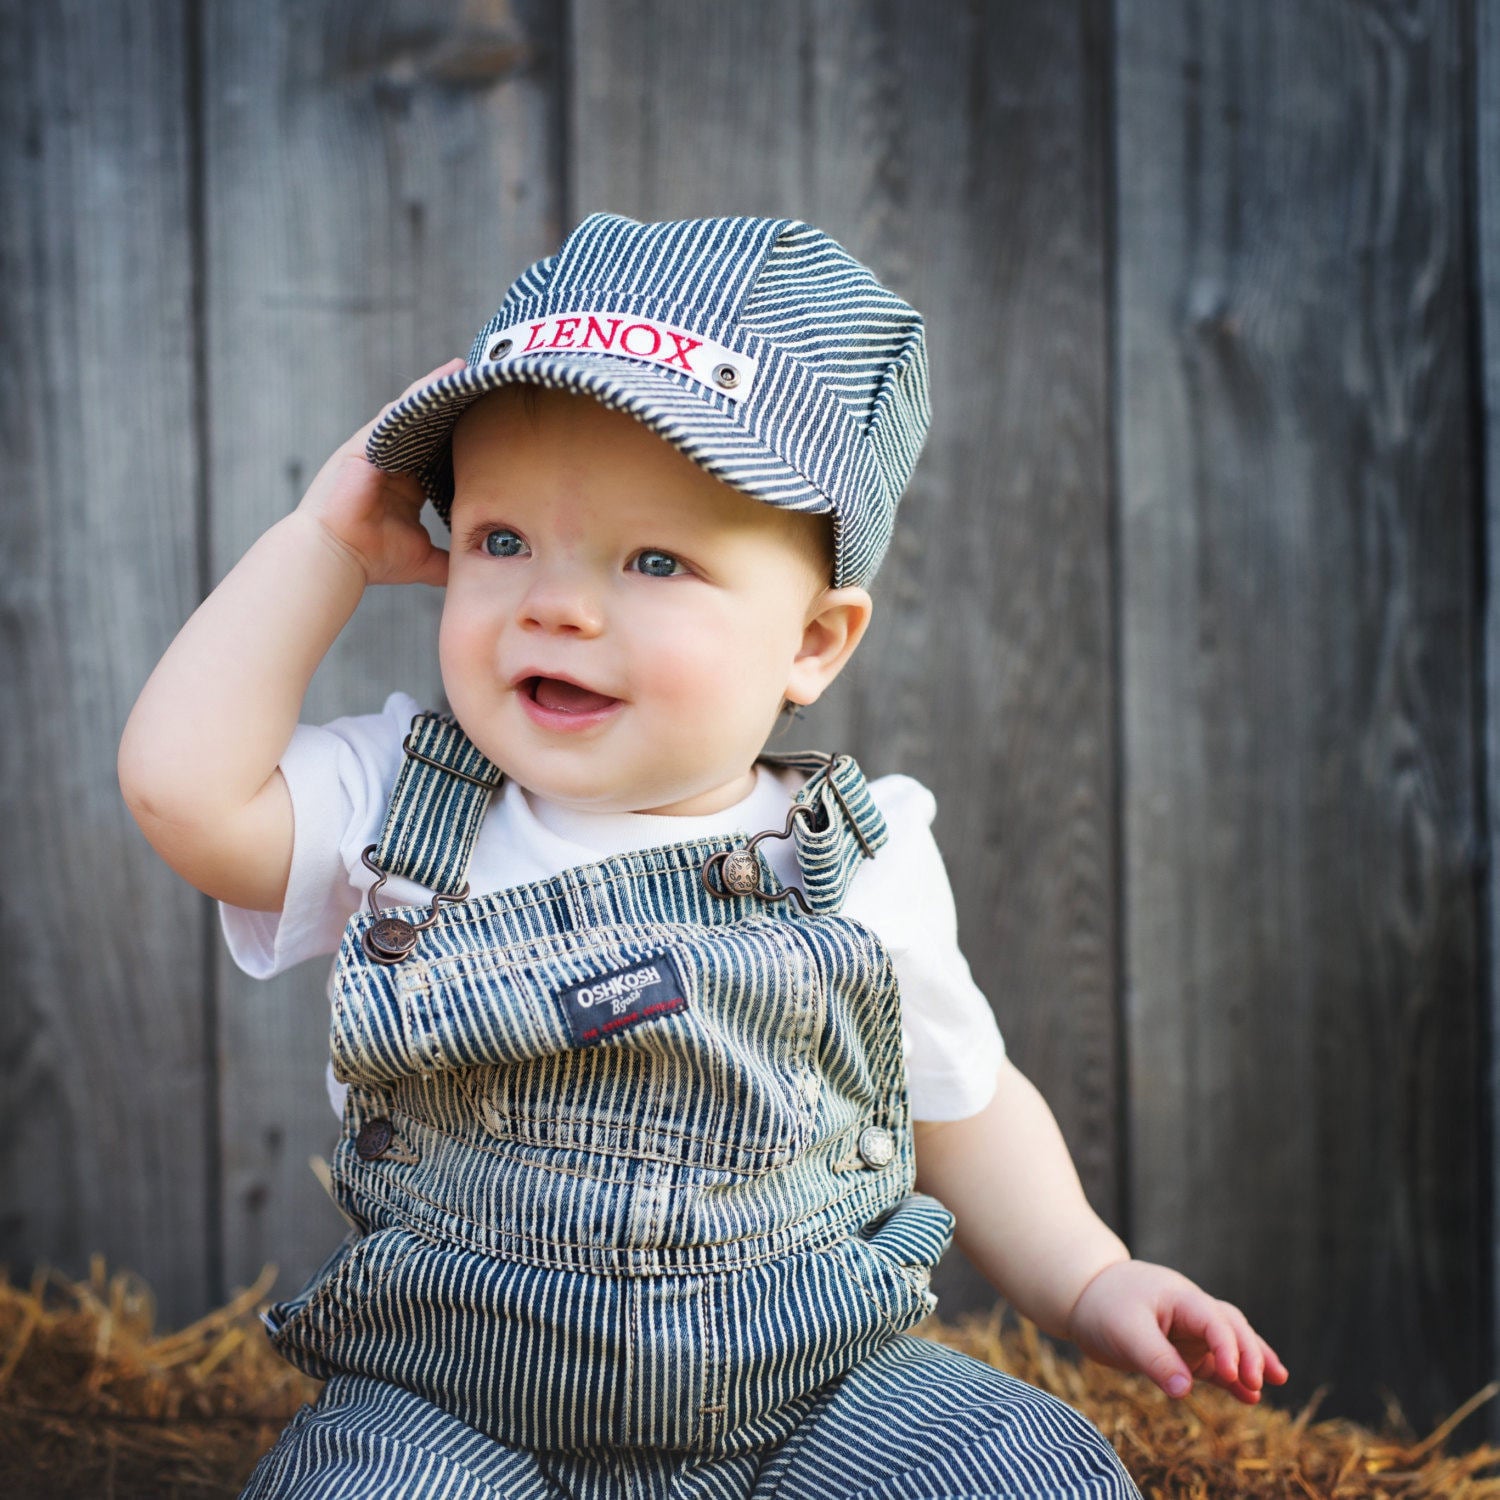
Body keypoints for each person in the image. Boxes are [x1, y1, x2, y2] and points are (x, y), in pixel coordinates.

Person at [118, 213, 1285, 1500]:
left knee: (1028, 1467)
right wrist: (322, 546)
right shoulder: (392, 804)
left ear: (815, 642)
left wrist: (1089, 1272)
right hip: (455, 1408)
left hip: (822, 1393)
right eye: (501, 540)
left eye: (655, 559)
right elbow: (182, 793)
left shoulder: (855, 862)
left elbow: (965, 1103)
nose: (554, 602)